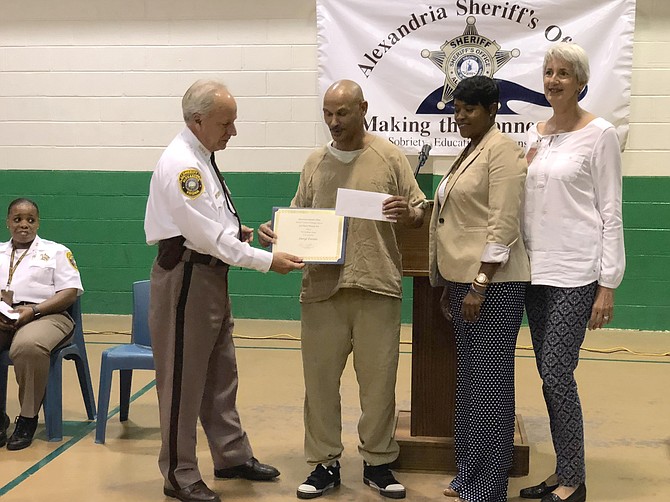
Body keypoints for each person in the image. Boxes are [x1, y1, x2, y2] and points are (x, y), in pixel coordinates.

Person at [258, 79, 426, 500]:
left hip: (377, 285)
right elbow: (298, 214)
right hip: (321, 291)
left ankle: (378, 462)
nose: (334, 122)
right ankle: (324, 464)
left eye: (343, 113)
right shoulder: (315, 162)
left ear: (363, 108)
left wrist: (409, 212)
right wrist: (275, 233)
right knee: (319, 384)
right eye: (328, 114)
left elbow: (420, 211)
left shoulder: (389, 156)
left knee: (379, 385)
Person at [144, 80, 304, 502]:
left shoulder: (202, 155)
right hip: (187, 279)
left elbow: (210, 225)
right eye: (225, 123)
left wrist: (237, 232)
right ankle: (178, 474)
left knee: (220, 372)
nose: (232, 131)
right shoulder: (184, 165)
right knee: (182, 379)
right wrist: (268, 260)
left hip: (210, 275)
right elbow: (205, 237)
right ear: (197, 121)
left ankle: (231, 455)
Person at [519, 43, 625, 502]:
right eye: (548, 72)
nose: (554, 80)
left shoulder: (600, 134)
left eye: (564, 73)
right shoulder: (535, 133)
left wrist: (607, 284)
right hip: (533, 270)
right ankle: (563, 469)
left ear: (581, 82)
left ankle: (574, 480)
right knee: (548, 373)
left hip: (576, 273)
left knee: (559, 372)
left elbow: (611, 211)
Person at [428, 76, 530, 502]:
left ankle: (489, 485)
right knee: (470, 384)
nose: (460, 116)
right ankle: (469, 473)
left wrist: (479, 283)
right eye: (456, 108)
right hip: (463, 282)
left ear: (492, 108)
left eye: (469, 108)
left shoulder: (502, 150)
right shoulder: (470, 150)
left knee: (490, 385)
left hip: (494, 285)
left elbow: (502, 224)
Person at [0, 198, 83, 451]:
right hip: (4, 316)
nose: (23, 224)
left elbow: (69, 292)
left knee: (28, 346)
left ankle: (27, 418)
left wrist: (33, 311)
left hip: (47, 316)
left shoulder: (57, 251)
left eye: (30, 220)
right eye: (17, 219)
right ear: (8, 223)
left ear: (38, 223)